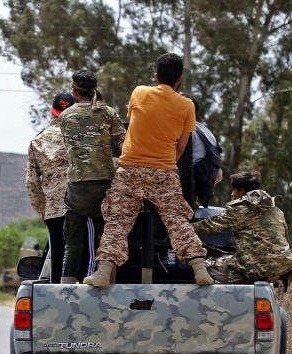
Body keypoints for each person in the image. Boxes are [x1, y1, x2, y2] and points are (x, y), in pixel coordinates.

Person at [84, 53, 213, 288]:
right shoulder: (187, 106)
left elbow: (136, 122)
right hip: (164, 171)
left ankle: (103, 273)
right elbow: (182, 147)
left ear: (156, 75)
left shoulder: (139, 92)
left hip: (130, 170)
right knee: (177, 221)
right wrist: (164, 164)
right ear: (180, 78)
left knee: (117, 221)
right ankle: (200, 269)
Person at [59, 70, 125, 284]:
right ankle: (107, 282)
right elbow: (125, 145)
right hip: (105, 185)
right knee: (107, 239)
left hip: (77, 187)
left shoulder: (65, 116)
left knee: (73, 241)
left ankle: (67, 285)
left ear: (74, 92)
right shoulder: (108, 113)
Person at [191, 170, 292, 284]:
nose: (232, 194)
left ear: (241, 191)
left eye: (233, 190)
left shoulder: (239, 209)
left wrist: (184, 228)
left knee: (203, 266)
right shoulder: (277, 211)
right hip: (282, 268)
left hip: (255, 269)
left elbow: (209, 226)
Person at [25, 92, 75, 283]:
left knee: (57, 257)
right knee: (84, 256)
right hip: (82, 206)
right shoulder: (84, 138)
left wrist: (43, 210)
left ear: (52, 112)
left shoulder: (38, 141)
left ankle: (58, 293)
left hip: (54, 211)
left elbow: (32, 182)